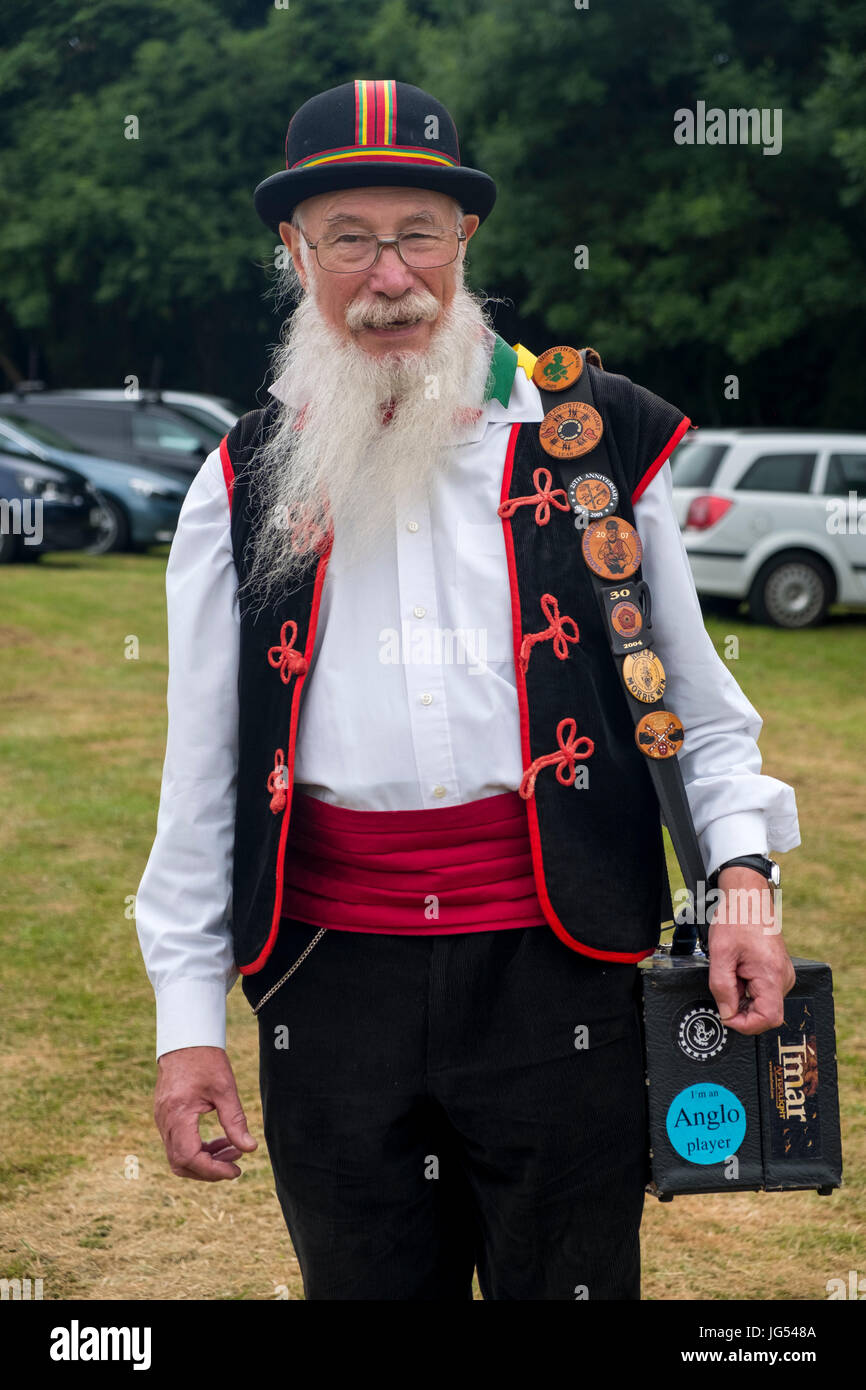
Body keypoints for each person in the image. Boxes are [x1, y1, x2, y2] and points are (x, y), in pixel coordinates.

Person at [135, 80, 800, 1301]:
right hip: (325, 990)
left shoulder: (594, 440)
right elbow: (201, 782)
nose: (387, 276)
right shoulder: (236, 481)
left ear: (464, 242)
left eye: (416, 234)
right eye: (347, 238)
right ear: (293, 253)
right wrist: (189, 1025)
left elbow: (696, 713)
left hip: (561, 971)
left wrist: (743, 881)